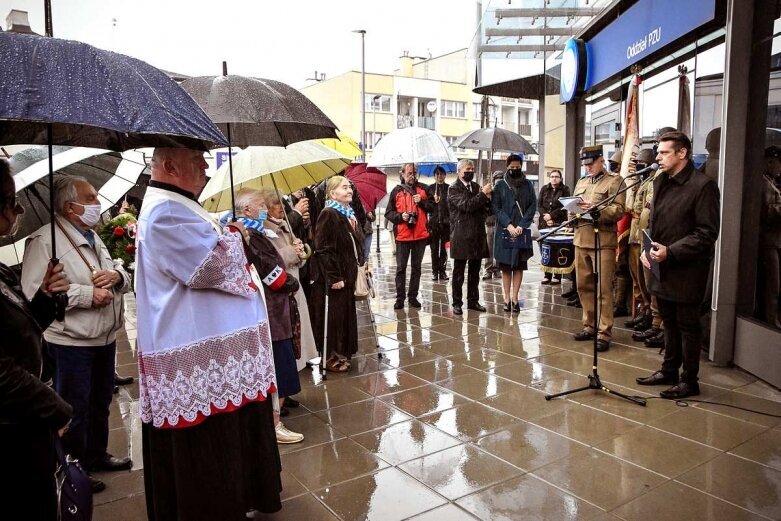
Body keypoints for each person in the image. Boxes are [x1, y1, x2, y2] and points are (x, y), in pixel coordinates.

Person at [135, 148, 281, 519]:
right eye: (197, 159)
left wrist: (222, 224)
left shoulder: (176, 204)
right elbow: (211, 268)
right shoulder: (163, 212)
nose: (205, 165)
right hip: (197, 349)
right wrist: (235, 235)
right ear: (169, 166)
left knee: (230, 436)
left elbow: (203, 233)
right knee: (209, 447)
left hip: (220, 346)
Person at [22, 175, 132, 493]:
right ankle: (73, 467)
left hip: (105, 337)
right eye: (91, 197)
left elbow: (116, 269)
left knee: (100, 402)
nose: (97, 203)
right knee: (75, 406)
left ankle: (96, 454)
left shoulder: (93, 236)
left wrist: (117, 276)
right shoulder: (45, 242)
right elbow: (35, 295)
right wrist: (87, 295)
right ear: (71, 206)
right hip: (72, 341)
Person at [0, 158, 73, 520]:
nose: (18, 212)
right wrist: (55, 407)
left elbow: (17, 332)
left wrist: (44, 300)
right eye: (12, 203)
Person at [636, 132, 720, 399]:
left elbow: (706, 233)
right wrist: (647, 249)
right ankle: (669, 370)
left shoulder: (702, 185)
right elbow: (654, 222)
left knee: (688, 326)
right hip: (661, 265)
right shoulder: (661, 181)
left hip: (687, 269)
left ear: (682, 153)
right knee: (668, 322)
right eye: (658, 153)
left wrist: (671, 252)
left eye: (663, 153)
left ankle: (689, 380)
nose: (657, 157)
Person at [233, 189, 304, 444]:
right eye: (260, 205)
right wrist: (289, 283)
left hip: (277, 308)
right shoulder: (247, 235)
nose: (265, 208)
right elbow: (266, 269)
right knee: (279, 365)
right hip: (270, 310)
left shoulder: (258, 232)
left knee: (283, 362)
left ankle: (274, 418)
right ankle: (273, 423)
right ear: (248, 210)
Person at [571, 145, 626, 352]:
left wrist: (595, 210)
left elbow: (619, 210)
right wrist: (571, 212)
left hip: (602, 241)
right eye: (584, 164)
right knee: (583, 286)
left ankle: (604, 332)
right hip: (581, 239)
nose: (587, 168)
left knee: (603, 288)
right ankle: (589, 326)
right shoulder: (582, 181)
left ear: (601, 160)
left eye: (591, 163)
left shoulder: (614, 181)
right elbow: (575, 206)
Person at [259, 186, 319, 376]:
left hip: (295, 287)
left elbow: (298, 261)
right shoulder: (263, 231)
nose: (281, 208)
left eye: (281, 203)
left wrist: (300, 252)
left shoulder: (284, 225)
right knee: (288, 338)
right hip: (282, 290)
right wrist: (293, 252)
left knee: (298, 335)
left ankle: (293, 378)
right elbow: (271, 261)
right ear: (267, 207)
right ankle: (286, 386)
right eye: (276, 204)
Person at [310, 176, 363, 372]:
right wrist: (334, 277)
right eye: (344, 188)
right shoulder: (329, 213)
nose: (349, 190)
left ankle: (343, 352)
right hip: (335, 277)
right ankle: (330, 356)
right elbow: (323, 248)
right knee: (333, 318)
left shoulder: (348, 213)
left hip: (348, 274)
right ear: (333, 193)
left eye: (350, 187)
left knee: (344, 316)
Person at [493, 154, 536, 312]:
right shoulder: (500, 185)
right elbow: (495, 207)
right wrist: (508, 224)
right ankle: (506, 298)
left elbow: (533, 205)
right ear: (507, 167)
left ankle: (516, 298)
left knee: (519, 266)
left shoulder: (528, 185)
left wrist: (522, 225)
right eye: (512, 168)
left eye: (518, 168)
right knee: (505, 267)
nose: (515, 170)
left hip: (521, 231)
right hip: (505, 231)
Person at [385, 163, 432, 309]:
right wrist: (401, 216)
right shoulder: (396, 191)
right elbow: (389, 213)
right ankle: (400, 298)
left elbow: (433, 207)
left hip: (420, 236)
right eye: (409, 173)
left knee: (416, 268)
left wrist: (422, 202)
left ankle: (413, 296)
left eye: (414, 173)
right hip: (403, 237)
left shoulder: (424, 188)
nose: (412, 176)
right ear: (402, 174)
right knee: (401, 268)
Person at [448, 159, 492, 315]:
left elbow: (484, 210)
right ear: (459, 171)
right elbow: (467, 205)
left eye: (472, 169)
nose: (470, 171)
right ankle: (457, 302)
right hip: (460, 235)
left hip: (477, 235)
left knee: (475, 271)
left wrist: (488, 198)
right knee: (459, 272)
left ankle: (473, 301)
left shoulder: (476, 187)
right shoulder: (453, 189)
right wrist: (482, 195)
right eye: (467, 169)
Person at [625, 148, 656, 332]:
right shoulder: (641, 182)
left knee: (647, 280)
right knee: (636, 278)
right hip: (635, 235)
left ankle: (651, 316)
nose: (638, 168)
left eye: (642, 165)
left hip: (645, 236)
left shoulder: (654, 182)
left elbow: (645, 210)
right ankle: (643, 309)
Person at [759, 145, 781, 329]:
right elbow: (768, 214)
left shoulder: (769, 181)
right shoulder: (765, 183)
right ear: (770, 161)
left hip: (771, 241)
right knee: (772, 285)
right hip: (767, 242)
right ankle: (770, 322)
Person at [537, 169, 571, 285]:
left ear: (560, 178)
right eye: (552, 176)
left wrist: (551, 216)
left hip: (558, 223)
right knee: (545, 248)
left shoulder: (565, 189)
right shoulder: (544, 189)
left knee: (557, 248)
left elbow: (564, 206)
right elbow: (539, 205)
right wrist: (546, 216)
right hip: (544, 223)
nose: (554, 178)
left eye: (556, 176)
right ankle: (547, 274)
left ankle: (557, 275)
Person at [426, 165, 450, 281]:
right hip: (434, 223)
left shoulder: (449, 188)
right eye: (437, 174)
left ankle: (443, 270)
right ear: (434, 176)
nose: (440, 176)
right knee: (434, 249)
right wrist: (434, 202)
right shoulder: (430, 189)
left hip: (446, 224)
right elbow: (427, 207)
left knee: (445, 249)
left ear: (445, 175)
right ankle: (435, 271)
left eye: (442, 174)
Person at [483, 171, 504, 281]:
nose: (498, 180)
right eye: (497, 178)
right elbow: (484, 207)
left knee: (499, 247)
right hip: (490, 222)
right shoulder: (489, 191)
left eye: (501, 178)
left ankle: (497, 268)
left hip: (501, 223)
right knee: (489, 247)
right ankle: (488, 269)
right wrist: (487, 196)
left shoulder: (505, 191)